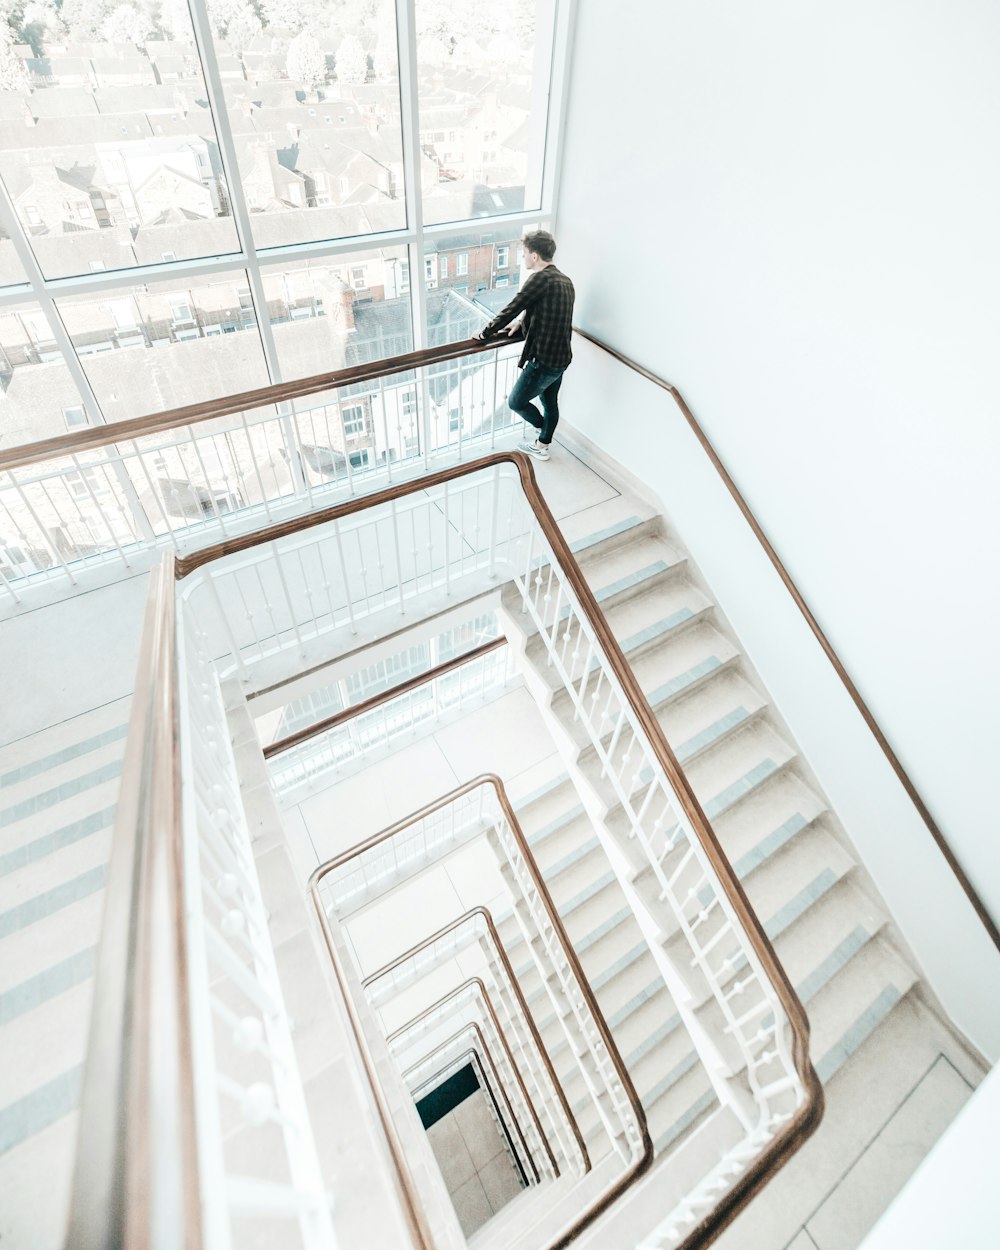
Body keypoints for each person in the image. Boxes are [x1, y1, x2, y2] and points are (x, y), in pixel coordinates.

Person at [474, 230, 574, 462]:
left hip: (544, 359)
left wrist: (485, 332)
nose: (523, 258)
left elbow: (514, 306)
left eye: (525, 254)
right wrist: (522, 323)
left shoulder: (539, 279)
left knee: (516, 401)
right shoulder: (564, 281)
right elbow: (547, 311)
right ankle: (544, 440)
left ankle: (542, 436)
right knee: (550, 403)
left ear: (535, 256)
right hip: (562, 357)